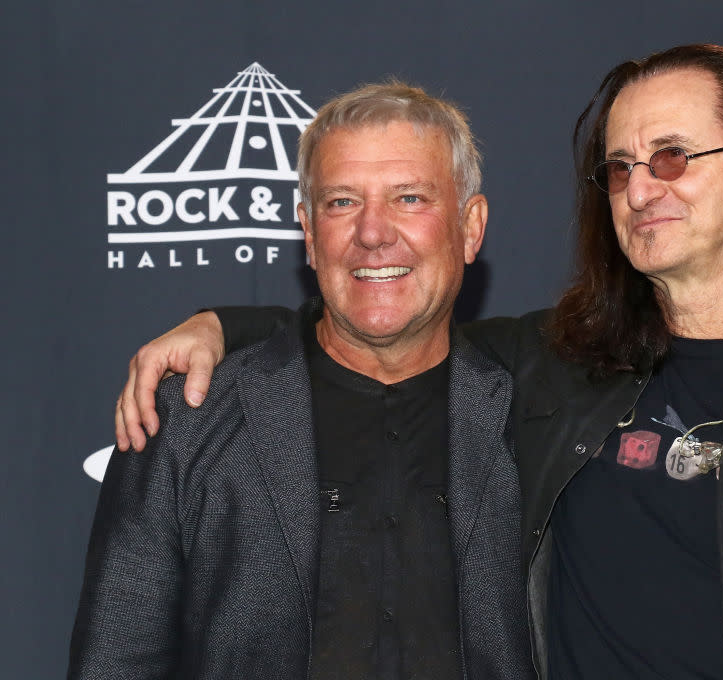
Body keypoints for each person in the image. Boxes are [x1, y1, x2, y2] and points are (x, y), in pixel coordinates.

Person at [115, 45, 723, 679]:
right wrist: (221, 323)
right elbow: (380, 319)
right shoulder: (558, 366)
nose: (643, 186)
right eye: (620, 167)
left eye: (674, 156)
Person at [70, 82, 534, 680]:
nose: (372, 232)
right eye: (342, 202)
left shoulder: (535, 408)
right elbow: (116, 663)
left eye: (410, 198)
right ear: (309, 234)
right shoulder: (188, 414)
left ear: (471, 227)